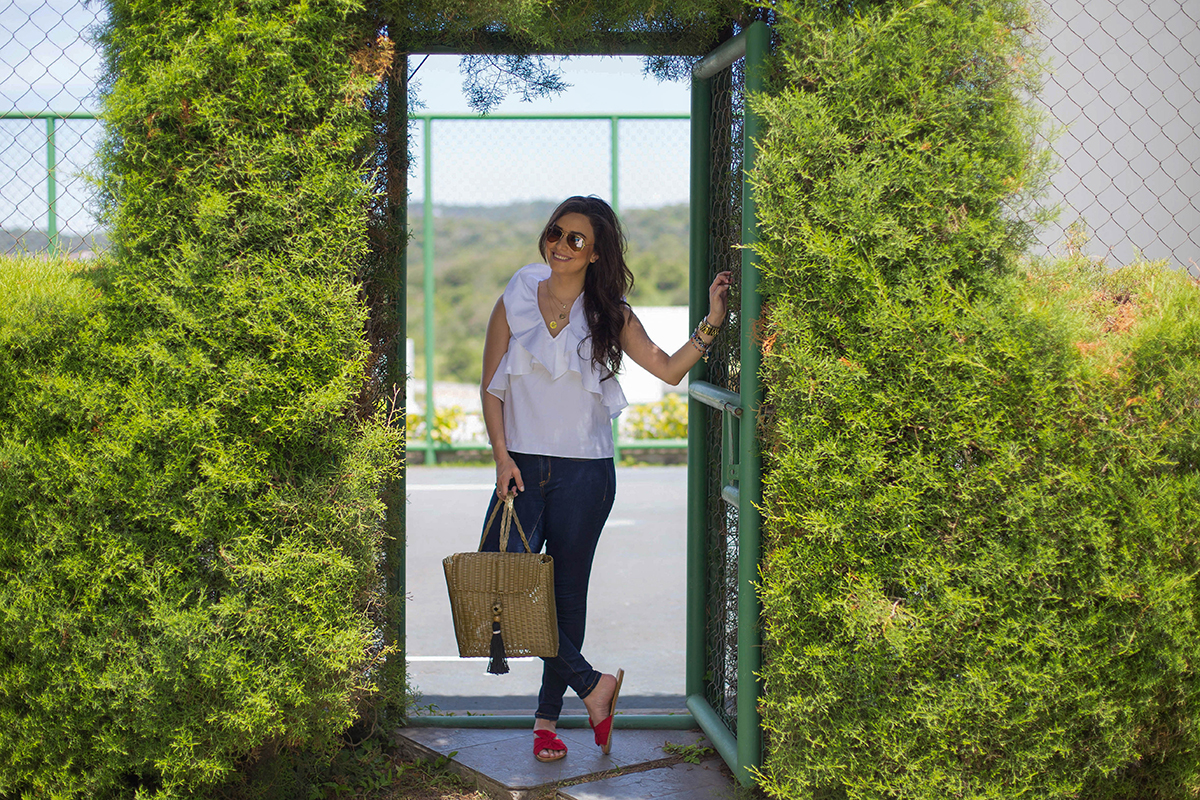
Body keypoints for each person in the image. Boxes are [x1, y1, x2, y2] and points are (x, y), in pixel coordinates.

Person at [479, 195, 731, 763]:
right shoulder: (516, 295)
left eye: (575, 239)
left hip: (586, 473)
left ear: (595, 254)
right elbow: (490, 386)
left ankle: (547, 722)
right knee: (506, 588)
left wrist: (712, 324)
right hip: (520, 465)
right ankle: (595, 687)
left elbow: (668, 369)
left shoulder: (609, 312)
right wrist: (501, 457)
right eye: (555, 233)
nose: (560, 245)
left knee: (565, 601)